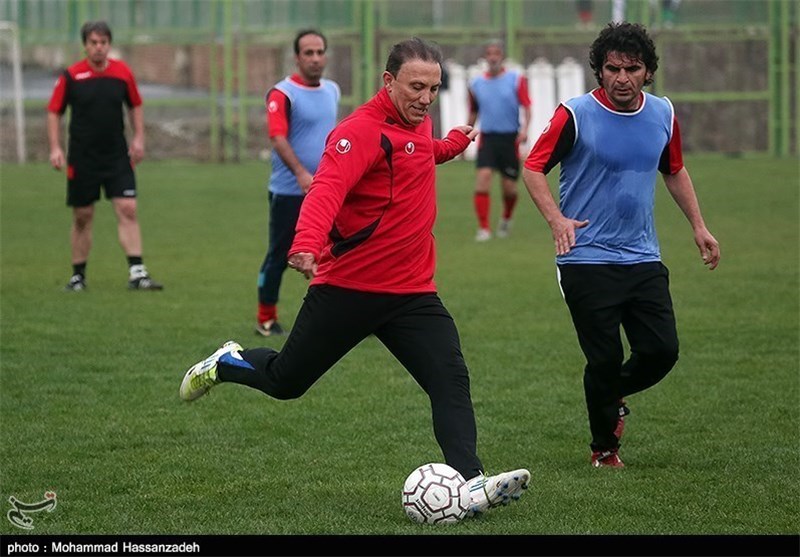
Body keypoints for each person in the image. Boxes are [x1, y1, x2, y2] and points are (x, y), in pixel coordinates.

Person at [180, 37, 530, 516]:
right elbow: (327, 188)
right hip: (349, 288)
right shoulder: (358, 131)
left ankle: (470, 482)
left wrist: (450, 145)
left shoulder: (416, 122)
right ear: (388, 82)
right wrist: (305, 243)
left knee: (450, 378)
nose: (425, 98)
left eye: (433, 88)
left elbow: (416, 150)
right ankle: (227, 362)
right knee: (286, 381)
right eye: (415, 87)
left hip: (412, 293)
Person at [522, 22, 720, 468]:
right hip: (585, 257)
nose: (622, 78)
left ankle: (614, 394)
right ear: (600, 70)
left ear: (648, 72)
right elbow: (533, 168)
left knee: (662, 352)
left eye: (632, 68)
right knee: (605, 356)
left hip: (643, 255)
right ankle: (604, 449)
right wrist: (557, 220)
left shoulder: (663, 114)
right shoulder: (573, 114)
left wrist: (699, 226)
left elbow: (674, 169)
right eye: (612, 68)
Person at [47, 20, 162, 292]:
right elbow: (54, 111)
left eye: (103, 43)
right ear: (85, 46)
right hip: (82, 157)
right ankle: (78, 275)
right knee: (83, 215)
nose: (99, 48)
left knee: (128, 208)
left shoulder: (122, 73)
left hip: (116, 156)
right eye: (93, 43)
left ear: (109, 45)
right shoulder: (71, 76)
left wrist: (138, 138)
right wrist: (55, 147)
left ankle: (137, 272)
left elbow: (135, 105)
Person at [256, 29, 340, 337]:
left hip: (328, 190)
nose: (316, 58)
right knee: (280, 254)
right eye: (309, 53)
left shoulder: (332, 90)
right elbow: (277, 138)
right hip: (289, 191)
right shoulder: (282, 94)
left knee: (341, 251)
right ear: (297, 57)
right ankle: (265, 317)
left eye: (320, 52)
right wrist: (301, 173)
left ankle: (352, 313)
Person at [467, 40, 531, 242]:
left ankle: (506, 218)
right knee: (483, 180)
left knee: (509, 188)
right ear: (485, 57)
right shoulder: (476, 84)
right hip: (487, 138)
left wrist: (525, 130)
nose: (493, 57)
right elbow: (474, 110)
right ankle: (484, 228)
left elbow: (527, 106)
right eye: (489, 53)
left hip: (509, 138)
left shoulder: (515, 79)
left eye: (496, 53)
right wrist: (465, 135)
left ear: (502, 56)